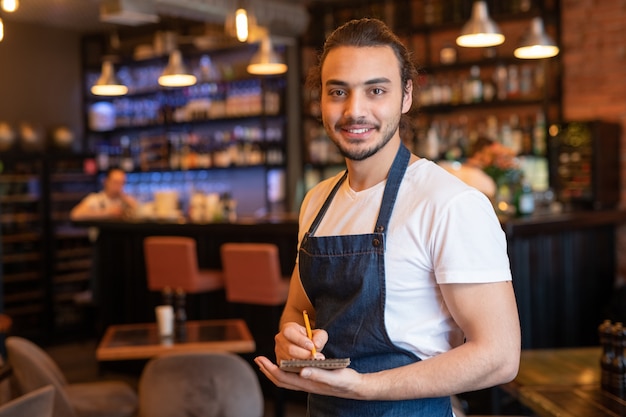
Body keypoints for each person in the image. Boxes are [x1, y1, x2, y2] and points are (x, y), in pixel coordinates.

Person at [254, 18, 520, 416]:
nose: (354, 110)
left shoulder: (449, 203)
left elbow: (499, 356)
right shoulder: (317, 201)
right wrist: (290, 340)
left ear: (406, 96)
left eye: (375, 90)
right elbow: (299, 310)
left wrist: (362, 387)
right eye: (338, 91)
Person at [70, 167, 137, 220]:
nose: (118, 186)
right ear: (105, 181)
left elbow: (140, 213)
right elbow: (75, 214)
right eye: (115, 182)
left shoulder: (125, 200)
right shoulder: (96, 199)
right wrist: (106, 213)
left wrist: (125, 198)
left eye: (121, 183)